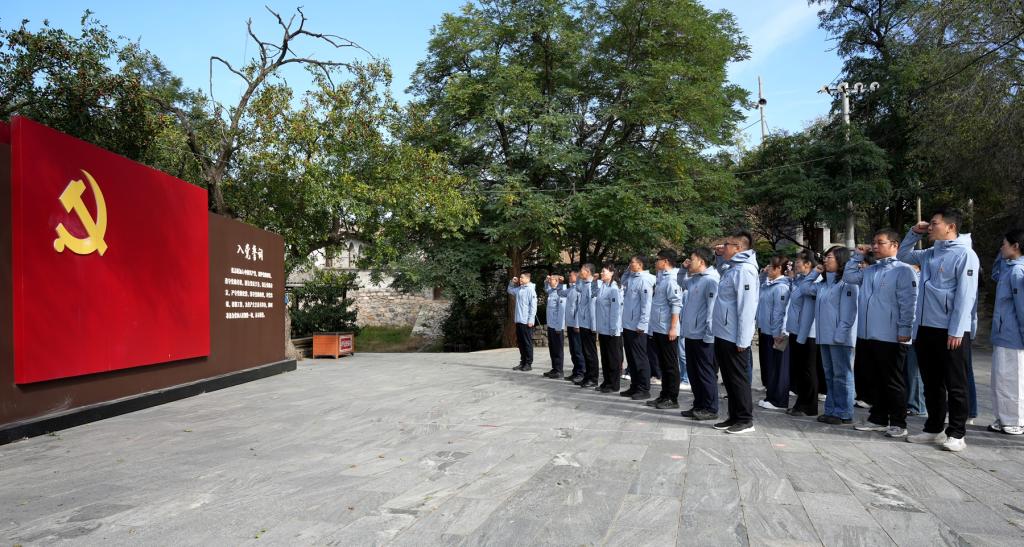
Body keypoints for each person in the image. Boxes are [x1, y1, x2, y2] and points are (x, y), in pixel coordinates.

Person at [898, 207, 980, 452]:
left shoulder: (965, 254)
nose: (930, 227)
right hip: (926, 328)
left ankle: (957, 433)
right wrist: (913, 233)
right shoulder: (930, 253)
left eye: (934, 223)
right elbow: (902, 255)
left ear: (951, 227)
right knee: (931, 382)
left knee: (956, 383)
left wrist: (957, 330)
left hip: (950, 331)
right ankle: (933, 428)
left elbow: (966, 296)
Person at [845, 229, 918, 438]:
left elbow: (909, 303)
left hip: (891, 336)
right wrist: (857, 256)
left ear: (894, 245)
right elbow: (849, 276)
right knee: (873, 379)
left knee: (892, 381)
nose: (875, 246)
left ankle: (898, 422)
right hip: (867, 335)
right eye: (873, 242)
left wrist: (905, 329)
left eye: (880, 242)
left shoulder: (904, 270)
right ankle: (878, 418)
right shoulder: (870, 270)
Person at [711, 231, 759, 434]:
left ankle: (745, 419)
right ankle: (734, 416)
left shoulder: (745, 270)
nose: (723, 247)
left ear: (738, 248)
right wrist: (719, 255)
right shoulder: (733, 267)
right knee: (729, 379)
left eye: (727, 244)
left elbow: (746, 307)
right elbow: (721, 269)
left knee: (738, 379)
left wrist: (743, 339)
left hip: (734, 335)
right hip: (724, 331)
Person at [811, 246, 859, 425]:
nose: (825, 260)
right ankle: (831, 410)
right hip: (825, 336)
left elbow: (849, 313)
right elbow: (804, 288)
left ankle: (844, 412)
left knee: (842, 375)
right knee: (830, 375)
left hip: (840, 338)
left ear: (840, 260)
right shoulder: (823, 285)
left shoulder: (847, 284)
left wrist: (840, 335)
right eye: (824, 257)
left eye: (829, 257)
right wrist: (814, 273)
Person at [988, 228, 1024, 435]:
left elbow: (1022, 307)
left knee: (1013, 381)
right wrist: (1002, 256)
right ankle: (1003, 418)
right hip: (1002, 333)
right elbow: (995, 273)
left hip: (1014, 336)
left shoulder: (1018, 271)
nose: (1001, 248)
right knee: (1001, 380)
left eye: (1004, 244)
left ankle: (1016, 421)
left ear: (1015, 246)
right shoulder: (1008, 268)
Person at [678, 247, 721, 421]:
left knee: (705, 373)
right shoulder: (695, 279)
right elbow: (681, 282)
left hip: (703, 335)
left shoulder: (711, 280)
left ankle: (710, 407)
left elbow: (712, 310)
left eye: (692, 259)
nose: (689, 262)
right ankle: (699, 404)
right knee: (694, 372)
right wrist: (683, 269)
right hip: (691, 333)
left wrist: (709, 335)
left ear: (702, 261)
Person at [645, 249, 683, 410]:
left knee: (670, 365)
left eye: (658, 259)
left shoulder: (672, 279)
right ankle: (664, 394)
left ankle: (672, 398)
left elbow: (676, 304)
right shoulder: (663, 277)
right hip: (658, 328)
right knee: (663, 364)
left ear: (665, 261)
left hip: (667, 329)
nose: (655, 262)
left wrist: (673, 327)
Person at [786, 250, 821, 416]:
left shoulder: (815, 282)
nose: (795, 264)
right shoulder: (799, 280)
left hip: (808, 333)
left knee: (808, 369)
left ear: (808, 264)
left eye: (798, 262)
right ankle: (801, 403)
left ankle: (810, 405)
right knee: (799, 369)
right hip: (796, 330)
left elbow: (810, 309)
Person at [756, 255, 792, 411]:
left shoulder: (781, 287)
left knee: (778, 367)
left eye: (771, 266)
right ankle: (771, 397)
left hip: (776, 334)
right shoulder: (768, 285)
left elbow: (779, 312)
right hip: (766, 330)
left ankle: (779, 400)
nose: (768, 268)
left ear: (779, 269)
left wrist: (778, 332)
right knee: (770, 366)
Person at [620, 256, 656, 400]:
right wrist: (628, 270)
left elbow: (647, 304)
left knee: (640, 358)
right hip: (628, 324)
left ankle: (643, 388)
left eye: (632, 262)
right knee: (631, 358)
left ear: (640, 264)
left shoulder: (645, 279)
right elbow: (622, 280)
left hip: (638, 327)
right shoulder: (632, 278)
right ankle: (634, 386)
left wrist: (643, 323)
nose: (630, 264)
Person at [594, 263, 625, 393]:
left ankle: (614, 384)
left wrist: (613, 328)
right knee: (605, 357)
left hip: (612, 329)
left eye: (604, 271)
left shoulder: (614, 288)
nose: (601, 273)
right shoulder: (603, 286)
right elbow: (592, 293)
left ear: (612, 273)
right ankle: (606, 382)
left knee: (613, 358)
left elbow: (616, 310)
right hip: (603, 328)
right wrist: (594, 281)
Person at [575, 264, 601, 388]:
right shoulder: (585, 284)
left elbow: (592, 307)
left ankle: (593, 378)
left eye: (582, 270)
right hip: (584, 323)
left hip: (590, 325)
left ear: (588, 272)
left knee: (590, 353)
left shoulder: (592, 285)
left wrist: (593, 326)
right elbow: (577, 287)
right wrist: (579, 278)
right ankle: (587, 376)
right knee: (585, 352)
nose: (580, 272)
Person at [507, 273, 537, 371]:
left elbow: (533, 306)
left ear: (528, 279)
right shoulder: (519, 289)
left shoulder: (530, 290)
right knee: (520, 343)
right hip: (519, 320)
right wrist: (512, 282)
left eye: (522, 277)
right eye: (520, 277)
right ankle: (523, 362)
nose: (520, 279)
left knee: (527, 343)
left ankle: (528, 363)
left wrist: (531, 319)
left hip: (526, 321)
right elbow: (509, 290)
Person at [560, 269, 586, 382]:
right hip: (570, 324)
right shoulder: (571, 289)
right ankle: (576, 371)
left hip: (576, 325)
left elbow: (579, 308)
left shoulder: (579, 290)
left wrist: (577, 324)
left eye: (571, 276)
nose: (569, 277)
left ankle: (581, 372)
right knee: (573, 350)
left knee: (578, 350)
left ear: (576, 277)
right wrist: (560, 284)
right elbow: (560, 293)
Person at [543, 274, 568, 379]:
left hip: (557, 326)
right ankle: (554, 368)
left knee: (558, 349)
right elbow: (546, 288)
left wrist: (559, 326)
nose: (550, 281)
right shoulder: (551, 291)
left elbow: (562, 311)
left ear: (557, 281)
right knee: (552, 348)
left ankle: (559, 370)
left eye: (552, 279)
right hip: (551, 324)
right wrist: (546, 281)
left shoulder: (560, 292)